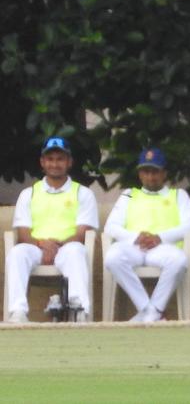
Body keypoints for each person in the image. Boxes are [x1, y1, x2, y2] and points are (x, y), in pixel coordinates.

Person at [5, 137, 99, 323]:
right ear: (42, 162)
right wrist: (42, 244)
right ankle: (18, 312)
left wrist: (57, 246)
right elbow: (23, 232)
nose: (55, 164)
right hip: (36, 247)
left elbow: (82, 232)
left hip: (67, 246)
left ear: (69, 162)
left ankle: (79, 310)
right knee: (17, 253)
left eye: (60, 159)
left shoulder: (83, 193)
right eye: (50, 159)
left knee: (76, 252)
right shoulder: (28, 193)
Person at [103, 147, 190, 322]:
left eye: (155, 171)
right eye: (146, 172)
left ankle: (151, 312)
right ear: (140, 174)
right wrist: (136, 237)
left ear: (164, 174)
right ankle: (150, 310)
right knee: (112, 257)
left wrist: (159, 237)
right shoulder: (129, 194)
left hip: (163, 248)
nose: (150, 176)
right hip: (134, 247)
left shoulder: (178, 195)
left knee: (179, 260)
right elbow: (111, 227)